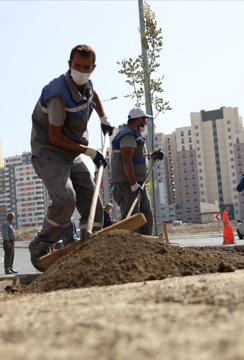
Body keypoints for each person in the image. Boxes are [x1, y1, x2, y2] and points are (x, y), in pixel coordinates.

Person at [29, 44, 114, 272]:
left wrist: (103, 117)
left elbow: (92, 94)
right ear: (69, 65)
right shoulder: (57, 94)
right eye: (77, 66)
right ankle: (42, 244)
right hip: (50, 152)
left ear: (93, 68)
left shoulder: (86, 83)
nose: (81, 71)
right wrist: (90, 152)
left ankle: (90, 245)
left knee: (91, 200)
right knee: (66, 198)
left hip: (72, 151)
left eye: (86, 68)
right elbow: (55, 137)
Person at [110, 107, 164, 235]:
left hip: (136, 183)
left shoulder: (134, 135)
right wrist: (133, 185)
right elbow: (126, 160)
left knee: (146, 217)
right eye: (145, 119)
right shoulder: (127, 135)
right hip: (127, 184)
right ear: (138, 120)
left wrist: (151, 156)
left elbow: (137, 156)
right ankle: (128, 252)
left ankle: (145, 248)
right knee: (132, 221)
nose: (145, 122)